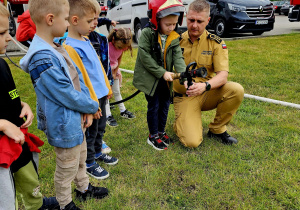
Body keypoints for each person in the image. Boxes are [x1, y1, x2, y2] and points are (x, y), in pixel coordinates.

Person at [20, 0, 109, 209]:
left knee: (80, 158)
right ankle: (64, 203)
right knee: (66, 167)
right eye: (67, 19)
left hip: (76, 120)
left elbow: (77, 77)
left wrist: (89, 106)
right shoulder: (41, 58)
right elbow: (65, 93)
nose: (69, 24)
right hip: (64, 124)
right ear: (51, 19)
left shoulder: (56, 46)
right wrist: (90, 106)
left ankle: (83, 188)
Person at [0, 4, 59, 210]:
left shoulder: (2, 64)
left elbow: (8, 95)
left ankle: (36, 204)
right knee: (6, 191)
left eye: (8, 30)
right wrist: (3, 125)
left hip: (17, 140)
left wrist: (21, 104)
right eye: (2, 33)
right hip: (1, 149)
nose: (9, 37)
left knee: (28, 175)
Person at [173, 0, 244, 148]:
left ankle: (217, 129)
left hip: (207, 92)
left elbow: (223, 75)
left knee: (236, 90)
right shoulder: (175, 41)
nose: (194, 25)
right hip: (185, 95)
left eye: (200, 21)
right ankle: (182, 121)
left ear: (208, 20)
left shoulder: (216, 43)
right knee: (191, 142)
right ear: (186, 16)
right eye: (191, 20)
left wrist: (205, 86)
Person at [65, 0, 118, 181]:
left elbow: (98, 67)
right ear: (74, 20)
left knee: (100, 128)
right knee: (91, 131)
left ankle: (96, 153)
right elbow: (80, 80)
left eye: (96, 19)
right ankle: (88, 162)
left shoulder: (87, 39)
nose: (94, 24)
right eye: (90, 21)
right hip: (90, 99)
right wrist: (91, 104)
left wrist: (107, 86)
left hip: (101, 95)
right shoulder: (69, 47)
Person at [133, 0, 186, 150]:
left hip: (166, 79)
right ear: (157, 20)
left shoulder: (174, 36)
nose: (171, 27)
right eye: (168, 24)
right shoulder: (146, 34)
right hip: (152, 79)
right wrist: (162, 72)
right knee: (154, 105)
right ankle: (153, 136)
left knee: (164, 104)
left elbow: (177, 56)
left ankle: (161, 132)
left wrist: (182, 74)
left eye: (174, 24)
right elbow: (145, 57)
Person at [105, 28, 136, 127]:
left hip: (114, 71)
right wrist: (109, 75)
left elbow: (119, 58)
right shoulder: (107, 47)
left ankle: (123, 110)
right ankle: (107, 115)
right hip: (105, 71)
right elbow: (104, 62)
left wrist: (115, 72)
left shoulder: (122, 45)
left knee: (117, 91)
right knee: (106, 94)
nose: (120, 49)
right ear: (114, 40)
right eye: (119, 47)